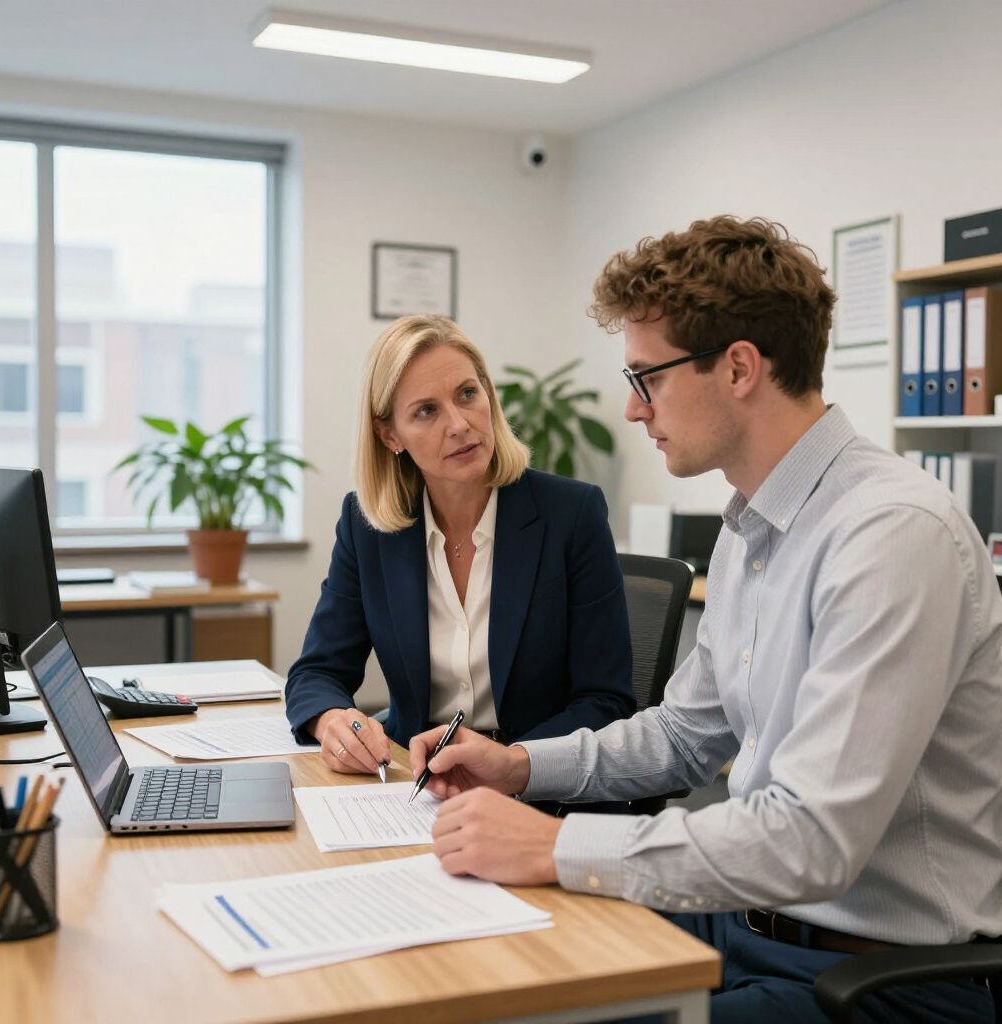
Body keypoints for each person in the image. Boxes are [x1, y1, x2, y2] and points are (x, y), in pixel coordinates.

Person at [409, 217, 1002, 1023]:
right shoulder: (751, 527)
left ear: (739, 368)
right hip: (750, 925)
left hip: (886, 978)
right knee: (485, 966)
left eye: (646, 377)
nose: (630, 408)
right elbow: (683, 737)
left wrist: (554, 846)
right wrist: (517, 765)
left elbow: (812, 843)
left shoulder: (892, 536)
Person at [285, 313, 635, 780]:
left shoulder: (572, 514)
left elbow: (606, 700)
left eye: (468, 394)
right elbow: (317, 672)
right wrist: (333, 722)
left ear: (488, 395)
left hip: (537, 783)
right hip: (417, 780)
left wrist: (513, 765)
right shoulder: (367, 526)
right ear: (390, 435)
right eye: (426, 411)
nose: (459, 424)